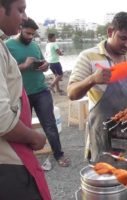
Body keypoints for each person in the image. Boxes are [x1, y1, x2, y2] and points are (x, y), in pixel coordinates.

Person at [67, 12, 127, 162]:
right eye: (123, 38)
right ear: (110, 31)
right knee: (105, 172)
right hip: (103, 130)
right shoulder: (88, 56)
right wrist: (92, 79)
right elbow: (71, 93)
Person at [0, 0, 51, 199]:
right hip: (8, 160)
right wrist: (34, 137)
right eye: (20, 10)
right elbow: (2, 119)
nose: (24, 17)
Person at [5, 18, 70, 168]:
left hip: (41, 90)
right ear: (20, 28)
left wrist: (46, 65)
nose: (30, 37)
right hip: (21, 94)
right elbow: (5, 73)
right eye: (27, 33)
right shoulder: (7, 46)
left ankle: (58, 154)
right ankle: (25, 159)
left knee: (50, 124)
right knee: (23, 127)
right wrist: (24, 65)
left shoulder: (34, 45)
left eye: (33, 35)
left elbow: (43, 62)